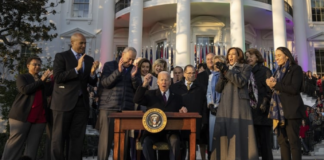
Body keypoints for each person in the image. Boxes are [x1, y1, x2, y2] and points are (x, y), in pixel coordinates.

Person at [50, 33, 99, 160]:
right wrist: (76, 69)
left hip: (81, 104)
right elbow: (58, 77)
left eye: (85, 43)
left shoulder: (88, 59)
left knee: (77, 138)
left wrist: (93, 73)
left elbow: (91, 82)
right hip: (63, 103)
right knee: (59, 137)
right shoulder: (62, 56)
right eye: (81, 43)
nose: (83, 45)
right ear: (72, 43)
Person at [2, 56, 53, 160]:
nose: (37, 67)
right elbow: (25, 90)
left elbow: (48, 93)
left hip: (40, 117)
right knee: (15, 144)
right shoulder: (23, 77)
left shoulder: (41, 79)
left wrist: (50, 80)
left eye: (39, 64)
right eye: (34, 64)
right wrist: (41, 80)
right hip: (22, 115)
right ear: (28, 65)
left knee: (33, 147)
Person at [211, 47, 258, 160]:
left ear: (239, 56)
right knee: (224, 132)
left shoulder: (245, 67)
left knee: (238, 130)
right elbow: (218, 89)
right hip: (225, 104)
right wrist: (223, 73)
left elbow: (240, 82)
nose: (230, 56)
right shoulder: (225, 68)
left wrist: (227, 72)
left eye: (233, 54)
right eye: (229, 54)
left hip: (239, 103)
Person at [98, 47, 141, 160]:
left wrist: (133, 77)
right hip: (108, 107)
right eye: (128, 59)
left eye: (133, 59)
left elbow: (138, 90)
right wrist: (118, 71)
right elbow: (105, 83)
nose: (130, 62)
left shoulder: (135, 69)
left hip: (126, 109)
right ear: (122, 54)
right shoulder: (109, 65)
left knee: (123, 143)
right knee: (105, 141)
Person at [133, 71, 188, 160]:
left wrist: (184, 109)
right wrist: (144, 84)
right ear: (157, 82)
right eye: (161, 80)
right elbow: (136, 99)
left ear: (170, 82)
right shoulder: (150, 94)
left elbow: (182, 108)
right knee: (146, 142)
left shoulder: (177, 97)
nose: (164, 82)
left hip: (170, 131)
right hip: (153, 131)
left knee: (175, 141)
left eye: (166, 80)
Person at [266, 47, 305, 160]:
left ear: (286, 56)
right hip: (278, 112)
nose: (276, 58)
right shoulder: (277, 71)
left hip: (292, 111)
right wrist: (270, 84)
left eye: (279, 55)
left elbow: (294, 89)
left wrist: (275, 85)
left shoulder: (295, 69)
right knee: (282, 143)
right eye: (275, 56)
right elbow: (276, 90)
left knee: (294, 142)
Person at [171, 65, 206, 160]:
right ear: (184, 74)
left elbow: (204, 105)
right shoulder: (175, 87)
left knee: (193, 146)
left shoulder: (201, 87)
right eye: (189, 73)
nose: (192, 75)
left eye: (193, 73)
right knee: (180, 146)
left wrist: (203, 121)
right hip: (180, 121)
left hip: (195, 122)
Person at [245, 48, 273, 160]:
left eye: (251, 56)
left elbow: (270, 90)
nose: (249, 58)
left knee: (265, 144)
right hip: (249, 111)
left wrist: (265, 102)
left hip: (262, 111)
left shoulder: (265, 70)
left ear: (257, 57)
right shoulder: (246, 71)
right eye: (247, 56)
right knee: (252, 146)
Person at [206, 55, 225, 159]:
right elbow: (208, 92)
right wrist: (210, 104)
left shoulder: (226, 75)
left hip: (223, 108)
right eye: (215, 62)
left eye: (219, 62)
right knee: (213, 135)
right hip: (213, 109)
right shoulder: (211, 76)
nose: (216, 65)